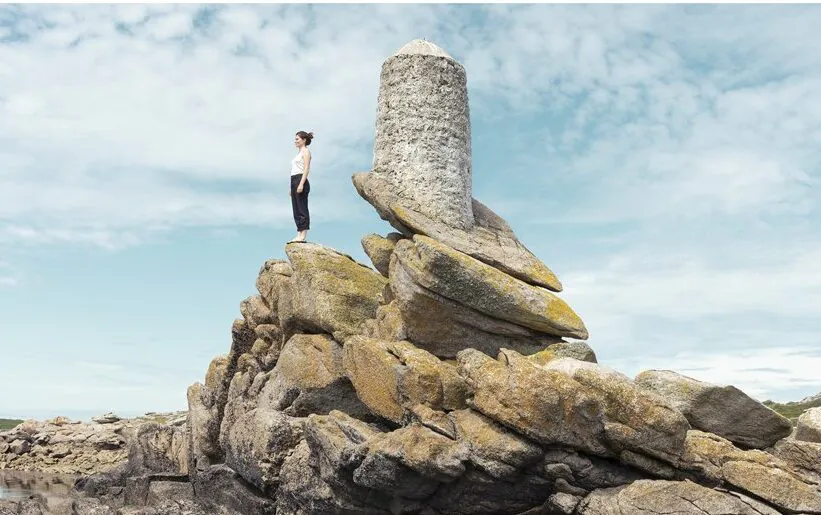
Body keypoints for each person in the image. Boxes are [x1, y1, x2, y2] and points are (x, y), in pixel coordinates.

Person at [289, 130, 313, 243]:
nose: (295, 141)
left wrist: (301, 184)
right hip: (293, 180)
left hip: (300, 179)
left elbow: (306, 168)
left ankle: (303, 235)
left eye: (297, 139)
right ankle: (299, 233)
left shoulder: (306, 152)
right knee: (296, 209)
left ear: (304, 140)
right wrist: (291, 187)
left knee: (302, 208)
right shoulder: (298, 154)